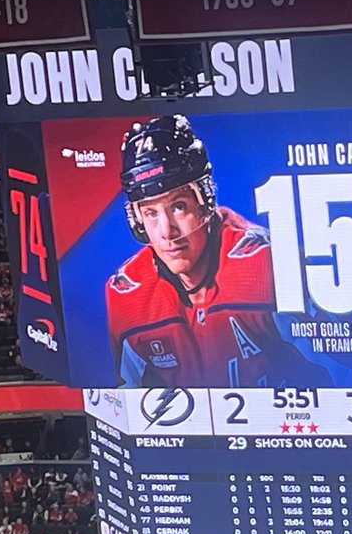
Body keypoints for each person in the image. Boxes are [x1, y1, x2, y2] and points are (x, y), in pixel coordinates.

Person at [105, 116, 331, 388]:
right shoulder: (127, 294)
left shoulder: (266, 266)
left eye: (178, 206)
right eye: (151, 213)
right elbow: (129, 408)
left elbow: (345, 378)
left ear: (204, 201)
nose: (167, 231)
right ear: (136, 220)